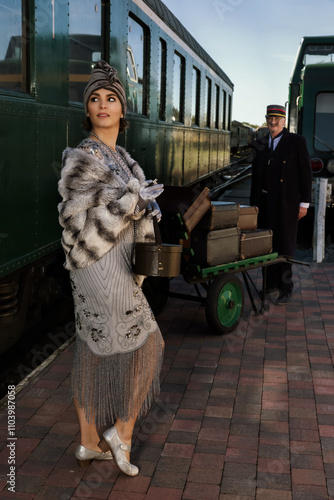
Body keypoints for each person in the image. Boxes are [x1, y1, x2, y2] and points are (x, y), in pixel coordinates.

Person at [58, 60, 164, 476]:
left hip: (112, 262)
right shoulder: (82, 157)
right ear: (88, 111)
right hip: (97, 264)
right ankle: (123, 433)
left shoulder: (122, 157)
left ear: (122, 109)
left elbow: (133, 204)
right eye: (96, 100)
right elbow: (72, 216)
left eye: (111, 98)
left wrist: (145, 201)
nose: (103, 105)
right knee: (151, 343)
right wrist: (131, 202)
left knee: (90, 349)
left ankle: (88, 442)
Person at [250, 104, 312, 305]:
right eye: (270, 118)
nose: (273, 122)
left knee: (284, 245)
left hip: (288, 204)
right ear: (266, 119)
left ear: (284, 121)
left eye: (277, 119)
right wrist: (253, 207)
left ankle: (285, 288)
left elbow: (306, 174)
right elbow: (256, 179)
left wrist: (304, 203)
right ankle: (269, 285)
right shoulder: (260, 143)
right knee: (265, 245)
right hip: (265, 203)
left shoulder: (296, 142)